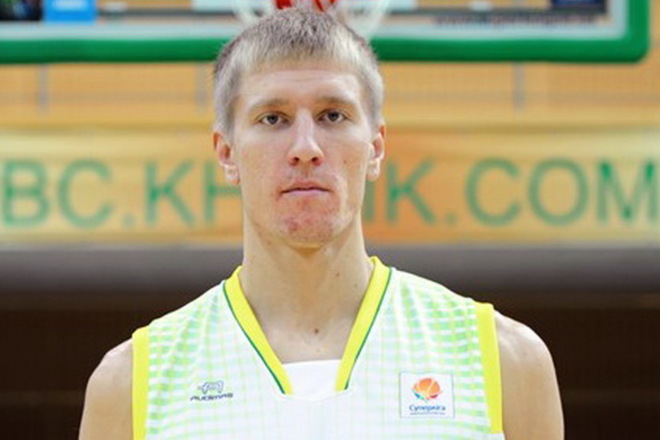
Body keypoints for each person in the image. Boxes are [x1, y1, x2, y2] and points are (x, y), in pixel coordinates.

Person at [79, 6, 563, 440]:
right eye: (273, 118)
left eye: (333, 115)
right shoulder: (132, 383)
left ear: (375, 147)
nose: (306, 148)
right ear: (227, 153)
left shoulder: (503, 359)